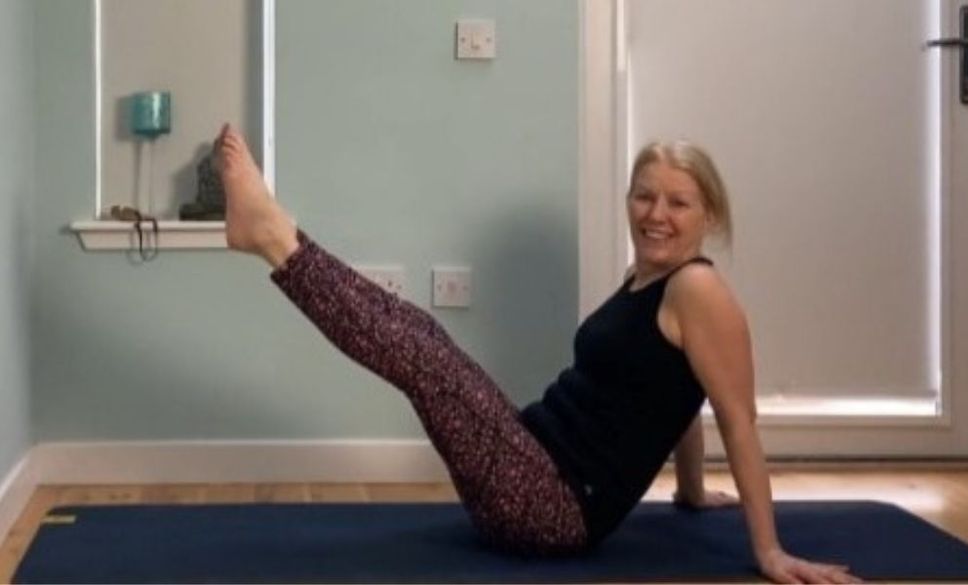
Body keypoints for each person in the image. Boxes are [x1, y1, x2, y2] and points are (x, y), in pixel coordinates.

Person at [215, 123, 861, 584]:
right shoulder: (647, 280)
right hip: (532, 459)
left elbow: (738, 418)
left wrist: (769, 551)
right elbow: (677, 390)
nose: (656, 213)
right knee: (423, 338)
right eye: (644, 195)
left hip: (551, 509)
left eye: (678, 202)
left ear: (709, 215)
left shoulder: (700, 290)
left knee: (426, 359)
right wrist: (690, 490)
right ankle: (272, 235)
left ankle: (273, 236)